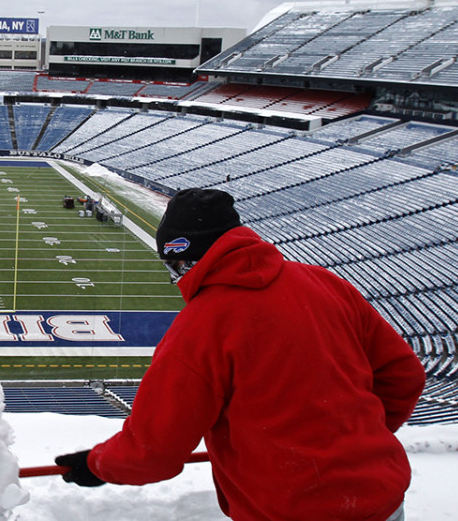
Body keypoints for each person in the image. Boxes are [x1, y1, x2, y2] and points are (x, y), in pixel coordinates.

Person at [56, 188, 426, 521]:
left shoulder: (202, 327)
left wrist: (96, 464)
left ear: (183, 256)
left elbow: (153, 451)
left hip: (287, 509)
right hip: (382, 498)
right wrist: (353, 442)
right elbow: (404, 375)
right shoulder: (325, 283)